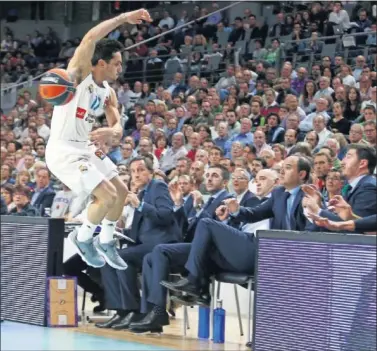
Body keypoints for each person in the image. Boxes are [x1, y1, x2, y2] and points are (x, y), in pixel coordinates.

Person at [45, 9, 153, 270]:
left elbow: (117, 124)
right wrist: (123, 19)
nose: (121, 67)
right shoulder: (79, 75)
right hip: (63, 151)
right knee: (105, 195)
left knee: (122, 193)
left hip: (86, 148)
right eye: (117, 62)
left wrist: (113, 131)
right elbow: (90, 38)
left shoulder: (107, 92)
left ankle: (105, 241)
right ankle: (82, 239)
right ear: (101, 63)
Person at [95, 156, 180, 330]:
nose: (136, 174)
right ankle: (121, 311)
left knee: (120, 258)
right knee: (107, 257)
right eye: (133, 171)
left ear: (151, 172)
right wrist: (121, 232)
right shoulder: (142, 193)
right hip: (144, 244)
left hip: (161, 243)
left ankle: (132, 309)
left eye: (141, 170)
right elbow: (140, 230)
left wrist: (140, 205)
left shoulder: (158, 186)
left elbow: (165, 215)